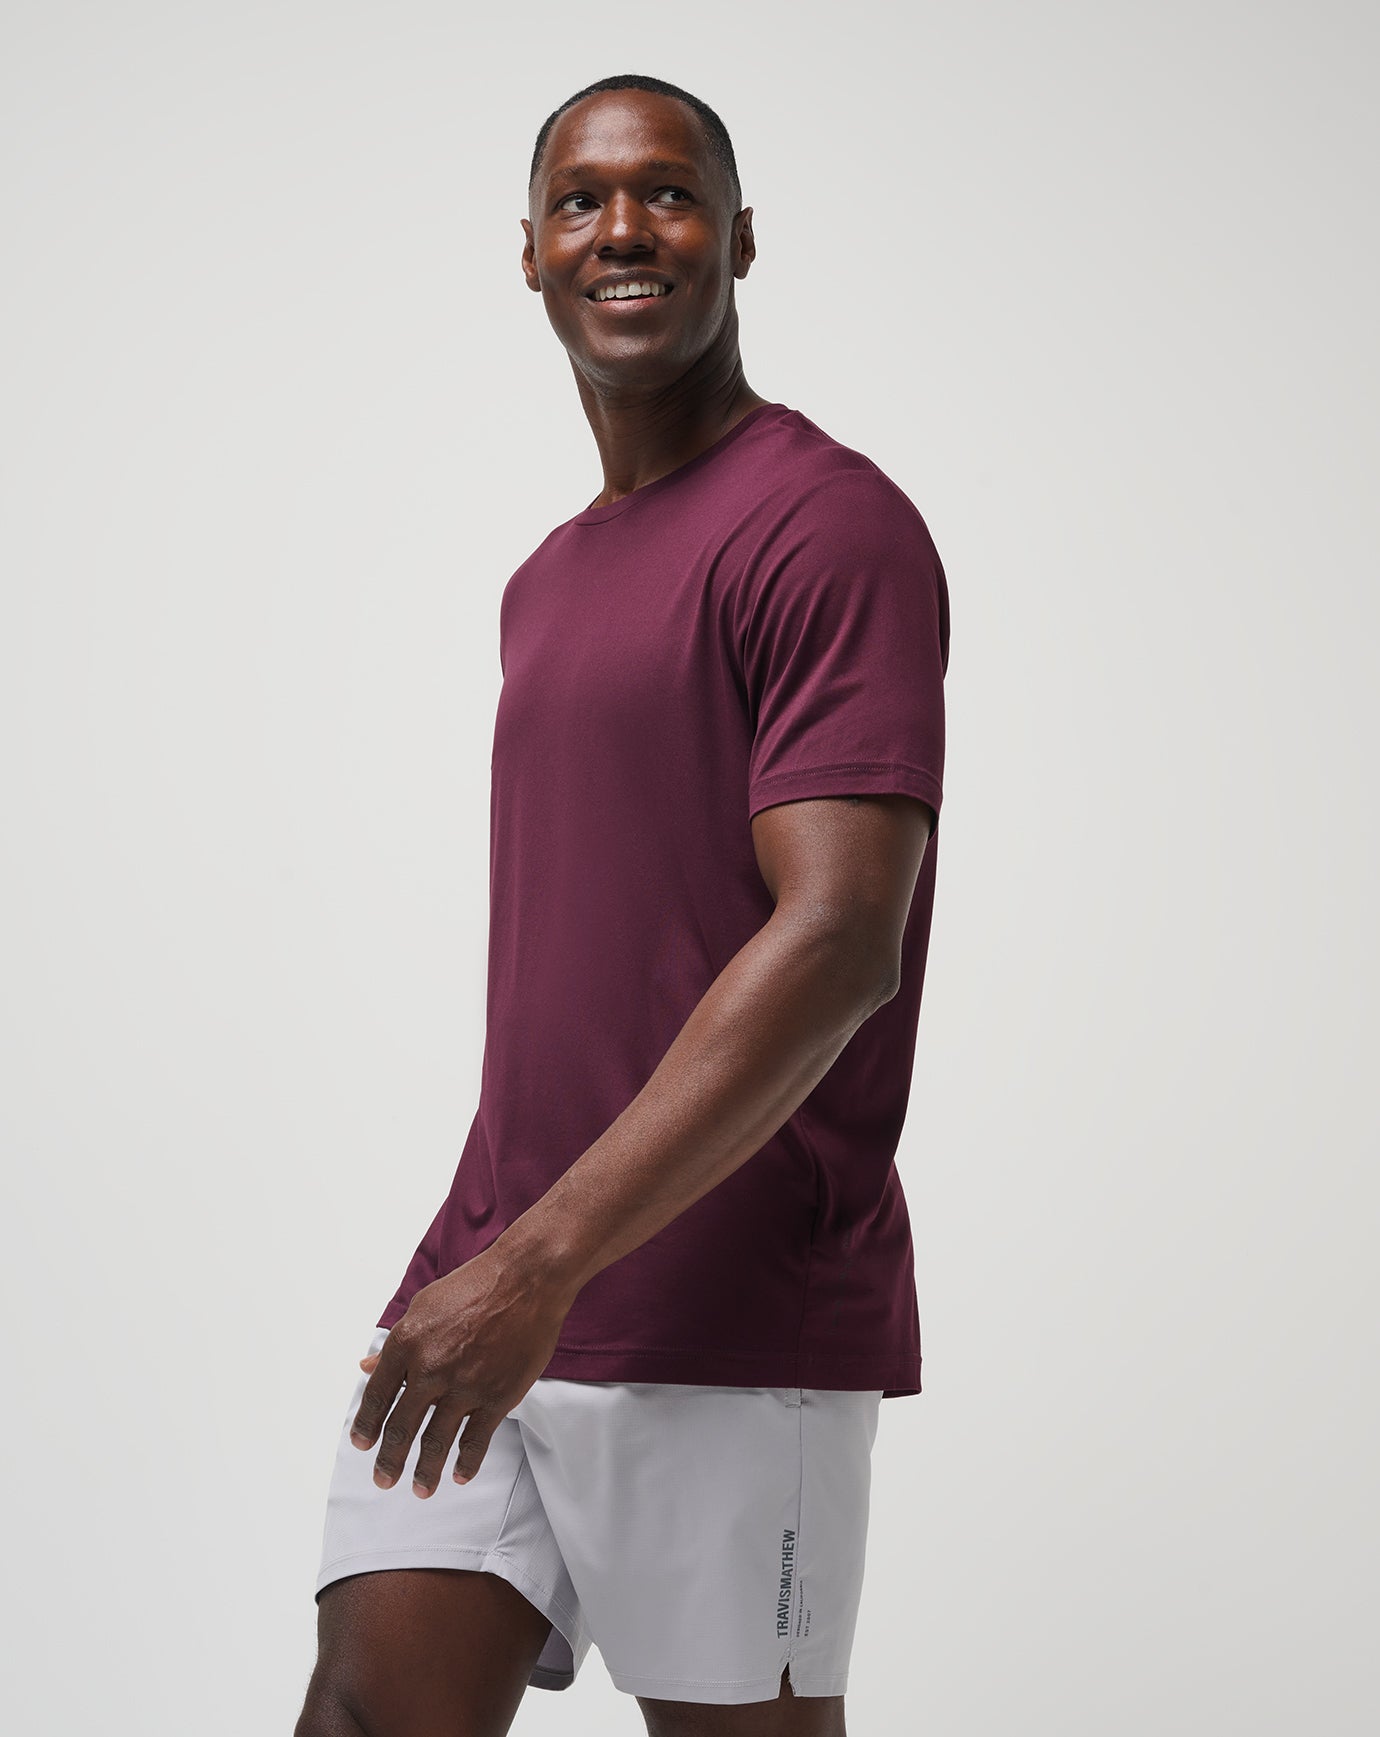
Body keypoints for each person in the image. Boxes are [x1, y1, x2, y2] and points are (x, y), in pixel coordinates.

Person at [295, 71, 950, 1737]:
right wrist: (504, 1264)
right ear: (529, 251)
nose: (623, 230)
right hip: (494, 1276)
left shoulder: (828, 527)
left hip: (726, 1307)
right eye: (580, 200)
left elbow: (839, 940)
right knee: (365, 1710)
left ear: (740, 237)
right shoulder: (548, 576)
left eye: (667, 192)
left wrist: (546, 1264)